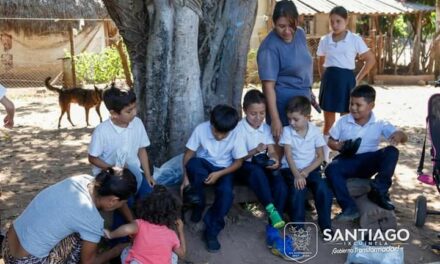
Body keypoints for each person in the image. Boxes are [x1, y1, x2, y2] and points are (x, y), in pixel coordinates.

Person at [1, 168, 137, 264]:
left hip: (8, 244)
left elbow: (118, 199)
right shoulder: (91, 219)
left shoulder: (83, 180)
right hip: (26, 261)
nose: (123, 206)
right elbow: (88, 262)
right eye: (123, 203)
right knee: (81, 239)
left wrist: (134, 223)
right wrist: (118, 249)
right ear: (113, 200)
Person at [325, 85, 407, 221]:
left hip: (369, 162)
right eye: (351, 103)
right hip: (348, 161)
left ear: (371, 105)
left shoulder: (379, 122)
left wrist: (399, 135)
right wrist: (338, 145)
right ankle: (349, 208)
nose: (353, 108)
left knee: (391, 151)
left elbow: (403, 137)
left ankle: (379, 191)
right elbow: (330, 141)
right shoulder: (343, 121)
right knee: (331, 168)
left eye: (359, 105)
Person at [88, 85, 155, 241]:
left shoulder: (137, 123)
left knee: (149, 197)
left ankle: (147, 236)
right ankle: (119, 243)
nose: (135, 113)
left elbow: (141, 150)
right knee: (123, 204)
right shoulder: (102, 131)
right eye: (129, 111)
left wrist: (148, 175)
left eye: (134, 107)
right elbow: (92, 158)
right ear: (113, 113)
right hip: (111, 178)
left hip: (134, 173)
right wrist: (111, 168)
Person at [180, 104, 247, 252]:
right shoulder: (201, 129)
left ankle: (211, 231)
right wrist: (185, 179)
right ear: (211, 123)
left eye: (224, 134)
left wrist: (219, 174)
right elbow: (188, 155)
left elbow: (238, 162)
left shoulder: (236, 134)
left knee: (226, 194)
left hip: (225, 169)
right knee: (193, 165)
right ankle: (199, 204)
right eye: (217, 131)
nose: (219, 136)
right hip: (205, 165)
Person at [317, 6, 375, 162]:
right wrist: (325, 79)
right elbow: (320, 61)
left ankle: (344, 155)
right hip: (329, 81)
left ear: (346, 21)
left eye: (338, 21)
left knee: (347, 120)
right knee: (328, 121)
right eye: (332, 22)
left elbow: (370, 59)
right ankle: (325, 157)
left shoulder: (355, 39)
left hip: (347, 81)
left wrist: (357, 78)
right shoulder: (325, 40)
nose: (335, 25)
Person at [257, 0, 313, 145]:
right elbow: (268, 87)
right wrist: (275, 119)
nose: (287, 31)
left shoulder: (300, 34)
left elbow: (303, 64)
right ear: (273, 23)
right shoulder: (269, 47)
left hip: (302, 103)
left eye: (291, 25)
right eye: (281, 26)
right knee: (283, 153)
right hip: (283, 107)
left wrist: (308, 91)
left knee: (302, 150)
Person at [279, 96, 332, 234]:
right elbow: (289, 156)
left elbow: (320, 157)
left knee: (323, 188)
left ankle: (326, 226)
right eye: (289, 119)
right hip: (291, 169)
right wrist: (297, 175)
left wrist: (306, 172)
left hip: (310, 169)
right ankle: (299, 228)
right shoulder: (287, 131)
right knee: (298, 189)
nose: (292, 123)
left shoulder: (314, 131)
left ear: (307, 117)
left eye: (296, 119)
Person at [235, 90, 285, 229]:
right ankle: (270, 209)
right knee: (256, 171)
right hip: (243, 167)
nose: (258, 118)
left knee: (279, 182)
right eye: (253, 113)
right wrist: (255, 150)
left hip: (261, 165)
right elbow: (239, 157)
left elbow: (272, 150)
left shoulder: (266, 128)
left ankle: (275, 222)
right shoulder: (239, 129)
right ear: (245, 110)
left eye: (262, 113)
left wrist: (274, 159)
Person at [104, 185, 186, 264]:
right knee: (173, 255)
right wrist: (180, 230)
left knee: (127, 250)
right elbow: (182, 254)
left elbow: (126, 229)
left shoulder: (140, 224)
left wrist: (111, 234)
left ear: (147, 206)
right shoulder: (171, 234)